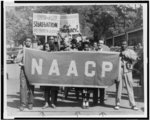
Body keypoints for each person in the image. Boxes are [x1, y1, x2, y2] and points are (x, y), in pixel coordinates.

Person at [114, 41, 139, 110]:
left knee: (129, 87)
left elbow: (135, 58)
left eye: (125, 44)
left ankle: (133, 104)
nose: (123, 45)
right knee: (119, 88)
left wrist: (126, 54)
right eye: (122, 44)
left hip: (128, 71)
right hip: (119, 71)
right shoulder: (118, 52)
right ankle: (117, 103)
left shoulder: (130, 51)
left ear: (127, 45)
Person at [15, 36, 34, 111]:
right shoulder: (21, 50)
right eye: (27, 41)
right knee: (23, 87)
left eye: (29, 41)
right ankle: (22, 104)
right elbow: (17, 60)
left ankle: (30, 103)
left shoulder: (33, 50)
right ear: (25, 42)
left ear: (31, 42)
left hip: (32, 70)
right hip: (23, 69)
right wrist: (23, 51)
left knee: (31, 87)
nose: (28, 42)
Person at [93, 40, 110, 106]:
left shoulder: (106, 51)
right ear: (97, 44)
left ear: (103, 44)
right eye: (99, 43)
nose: (100, 44)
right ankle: (95, 101)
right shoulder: (94, 51)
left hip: (102, 70)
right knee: (95, 87)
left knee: (102, 87)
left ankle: (102, 101)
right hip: (95, 70)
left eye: (101, 43)